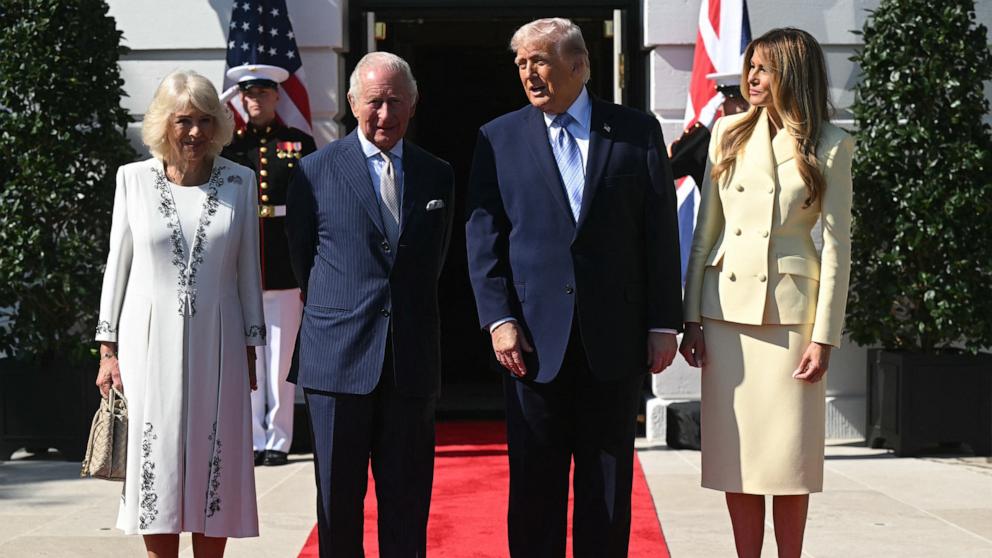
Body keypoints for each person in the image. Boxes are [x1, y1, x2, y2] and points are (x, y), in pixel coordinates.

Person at [465, 18, 683, 557]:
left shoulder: (636, 130)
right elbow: (483, 236)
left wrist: (663, 323)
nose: (529, 74)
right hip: (532, 342)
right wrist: (499, 320)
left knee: (607, 482)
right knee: (535, 482)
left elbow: (659, 231)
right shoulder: (499, 137)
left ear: (580, 66)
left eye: (539, 61)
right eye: (520, 64)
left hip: (615, 337)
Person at [679, 28, 854, 558]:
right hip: (726, 314)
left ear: (792, 74)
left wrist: (823, 338)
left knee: (789, 461)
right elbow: (704, 232)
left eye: (763, 68)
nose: (750, 78)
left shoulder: (832, 144)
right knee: (738, 457)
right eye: (749, 66)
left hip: (790, 321)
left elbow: (838, 246)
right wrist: (691, 318)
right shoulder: (726, 132)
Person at [286, 52, 454, 557]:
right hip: (336, 361)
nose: (385, 115)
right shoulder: (314, 171)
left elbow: (434, 260)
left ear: (414, 104)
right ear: (354, 103)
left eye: (396, 102)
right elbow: (303, 260)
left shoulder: (436, 174)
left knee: (407, 504)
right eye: (375, 102)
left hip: (410, 362)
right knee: (338, 505)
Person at [94, 70, 265, 557]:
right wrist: (108, 351)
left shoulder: (240, 180)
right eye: (183, 120)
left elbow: (248, 268)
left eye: (206, 120)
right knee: (159, 462)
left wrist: (252, 345)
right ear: (162, 123)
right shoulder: (133, 180)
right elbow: (117, 267)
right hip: (148, 345)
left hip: (222, 341)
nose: (195, 133)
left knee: (218, 463)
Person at [221, 64, 317, 467]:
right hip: (242, 266)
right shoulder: (231, 148)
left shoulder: (296, 144)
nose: (254, 101)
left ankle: (278, 439)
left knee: (280, 359)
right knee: (247, 356)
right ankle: (253, 436)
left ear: (277, 97)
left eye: (262, 94)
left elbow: (312, 206)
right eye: (247, 95)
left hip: (283, 266)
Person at [668, 71, 751, 186]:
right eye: (735, 99)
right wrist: (702, 127)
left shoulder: (761, 135)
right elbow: (671, 168)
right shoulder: (706, 146)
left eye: (747, 98)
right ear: (722, 103)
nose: (744, 105)